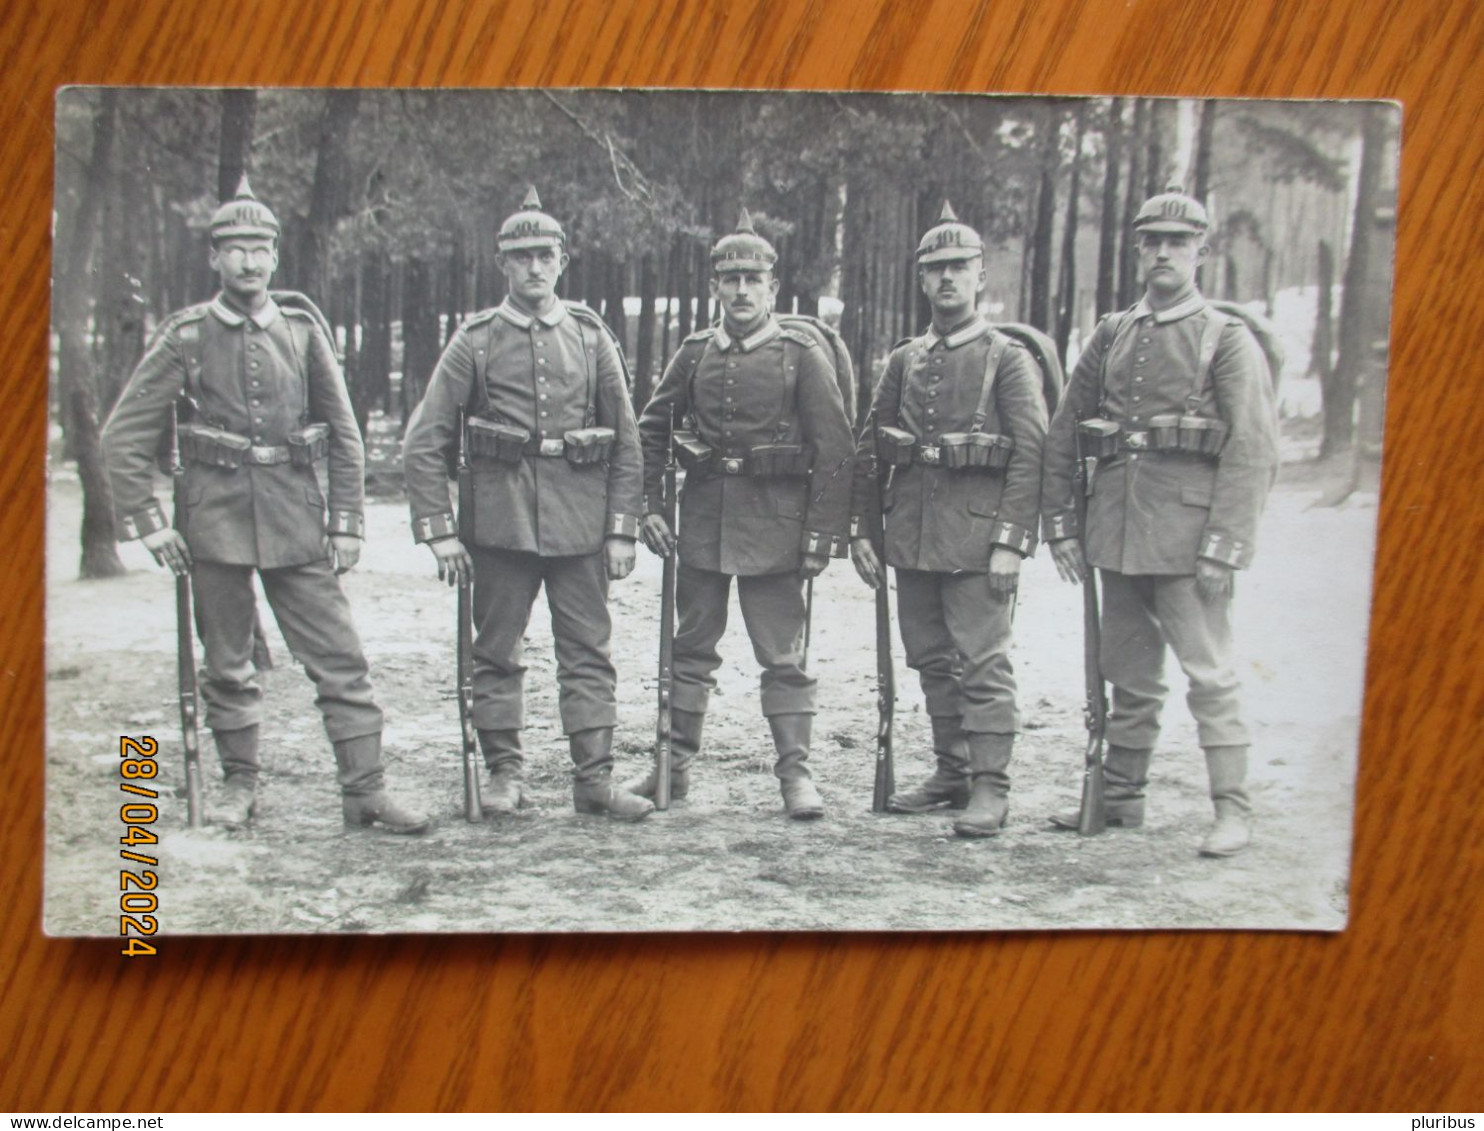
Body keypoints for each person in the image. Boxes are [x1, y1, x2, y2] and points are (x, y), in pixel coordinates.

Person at [101, 177, 429, 833]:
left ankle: (365, 791)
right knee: (226, 665)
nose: (249, 261)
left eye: (260, 248)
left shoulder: (304, 333)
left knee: (341, 659)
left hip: (295, 520)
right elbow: (121, 436)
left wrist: (346, 522)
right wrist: (150, 522)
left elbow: (344, 434)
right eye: (235, 249)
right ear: (214, 259)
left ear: (276, 257)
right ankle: (239, 788)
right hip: (212, 524)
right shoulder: (185, 336)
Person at [1041, 186, 1279, 857]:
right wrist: (1061, 523)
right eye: (1153, 241)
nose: (1164, 252)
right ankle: (1121, 795)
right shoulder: (1113, 333)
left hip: (1189, 540)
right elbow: (1064, 430)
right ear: (1139, 250)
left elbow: (1252, 448)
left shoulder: (1225, 340)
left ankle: (1232, 809)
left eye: (1179, 241)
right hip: (1116, 532)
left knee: (1210, 673)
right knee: (1128, 670)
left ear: (1201, 252)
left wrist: (1224, 545)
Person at [401, 188, 651, 821]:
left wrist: (621, 531)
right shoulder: (475, 341)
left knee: (588, 652)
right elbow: (426, 438)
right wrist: (440, 532)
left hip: (580, 525)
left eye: (544, 254)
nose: (534, 268)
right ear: (501, 265)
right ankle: (504, 775)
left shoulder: (592, 338)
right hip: (500, 524)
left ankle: (594, 780)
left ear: (562, 259)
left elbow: (625, 439)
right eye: (521, 257)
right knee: (496, 652)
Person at [633, 210, 855, 818]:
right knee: (690, 648)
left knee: (783, 655)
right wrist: (651, 507)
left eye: (752, 280)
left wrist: (821, 535)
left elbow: (836, 448)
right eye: (729, 280)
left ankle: (795, 776)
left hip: (777, 527)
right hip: (702, 524)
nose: (740, 292)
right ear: (713, 288)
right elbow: (650, 431)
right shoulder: (695, 353)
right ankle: (672, 769)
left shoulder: (799, 353)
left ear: (772, 289)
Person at [849, 202, 1047, 838]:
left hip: (976, 537)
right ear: (921, 280)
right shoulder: (905, 359)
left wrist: (1010, 542)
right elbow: (870, 447)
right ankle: (952, 772)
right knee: (932, 659)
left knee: (984, 662)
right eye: (935, 269)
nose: (947, 279)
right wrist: (865, 532)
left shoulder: (1006, 358)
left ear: (981, 276)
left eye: (959, 267)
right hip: (913, 536)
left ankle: (992, 786)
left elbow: (1032, 452)